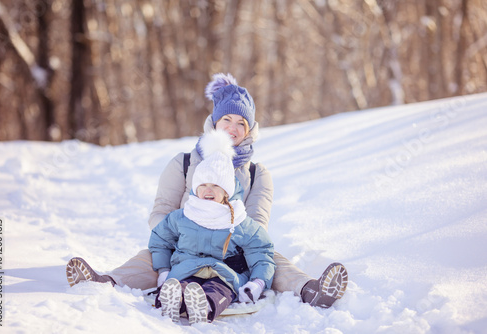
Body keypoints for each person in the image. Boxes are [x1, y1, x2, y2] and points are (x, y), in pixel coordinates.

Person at [66, 73, 348, 309]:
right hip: (184, 247)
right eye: (227, 120)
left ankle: (312, 290)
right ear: (214, 122)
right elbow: (161, 211)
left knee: (270, 257)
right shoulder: (184, 163)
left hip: (233, 250)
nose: (233, 129)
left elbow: (257, 223)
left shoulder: (256, 173)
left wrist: (221, 235)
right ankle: (104, 281)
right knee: (150, 255)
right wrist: (185, 233)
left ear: (249, 131)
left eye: (242, 123)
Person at [149, 129, 275, 323]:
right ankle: (173, 301)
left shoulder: (239, 220)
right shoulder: (183, 216)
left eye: (216, 185)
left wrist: (258, 282)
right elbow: (160, 240)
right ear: (195, 187)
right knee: (181, 285)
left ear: (226, 192)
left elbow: (261, 251)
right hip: (186, 270)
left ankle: (205, 305)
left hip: (223, 274)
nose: (208, 189)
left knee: (219, 290)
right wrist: (164, 271)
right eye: (203, 184)